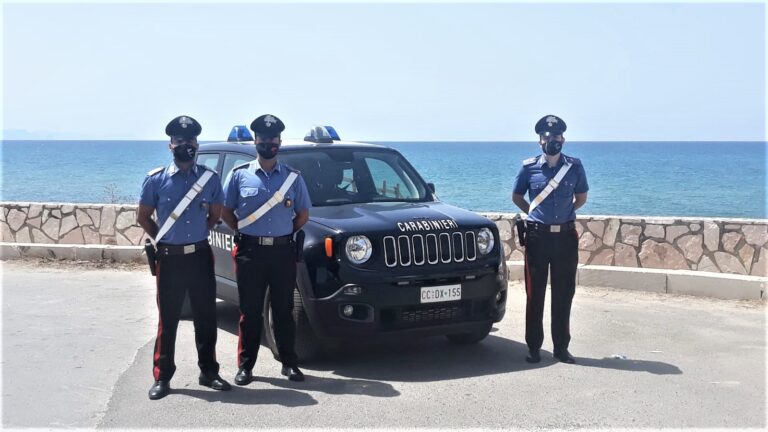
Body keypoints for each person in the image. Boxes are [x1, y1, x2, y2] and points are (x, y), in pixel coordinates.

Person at [137, 115, 231, 400]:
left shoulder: (209, 179)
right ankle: (162, 377)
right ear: (170, 145)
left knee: (206, 316)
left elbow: (215, 214)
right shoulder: (156, 180)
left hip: (200, 256)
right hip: (170, 259)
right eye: (179, 141)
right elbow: (143, 217)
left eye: (189, 141)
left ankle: (209, 372)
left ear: (196, 144)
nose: (185, 145)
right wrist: (163, 240)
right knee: (168, 319)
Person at [221, 114, 312, 384]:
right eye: (262, 138)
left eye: (272, 139)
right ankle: (246, 367)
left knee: (284, 310)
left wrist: (285, 233)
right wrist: (243, 232)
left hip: (283, 252)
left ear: (279, 141)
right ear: (255, 141)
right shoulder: (240, 176)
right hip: (251, 252)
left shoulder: (293, 178)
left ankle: (289, 363)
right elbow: (226, 211)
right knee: (249, 311)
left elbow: (303, 214)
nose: (268, 143)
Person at [512, 114, 589, 364]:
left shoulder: (575, 167)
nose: (551, 140)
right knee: (535, 294)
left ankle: (561, 348)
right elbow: (517, 196)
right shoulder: (528, 167)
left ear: (563, 139)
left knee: (564, 293)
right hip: (537, 236)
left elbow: (581, 197)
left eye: (555, 136)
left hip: (565, 237)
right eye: (546, 137)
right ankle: (534, 347)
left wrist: (564, 215)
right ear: (539, 141)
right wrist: (534, 214)